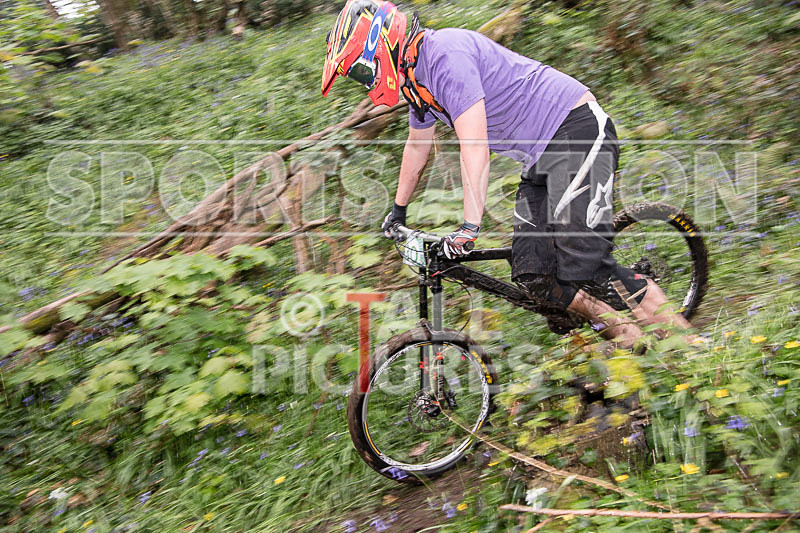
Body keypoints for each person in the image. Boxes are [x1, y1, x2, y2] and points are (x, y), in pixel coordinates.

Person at [321, 0, 692, 347]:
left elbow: (474, 146)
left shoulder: (445, 55)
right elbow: (417, 146)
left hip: (576, 131)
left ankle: (691, 349)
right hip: (540, 159)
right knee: (535, 275)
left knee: (587, 268)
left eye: (359, 69)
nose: (362, 78)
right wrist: (398, 210)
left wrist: (470, 226)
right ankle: (630, 341)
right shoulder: (417, 82)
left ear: (380, 47)